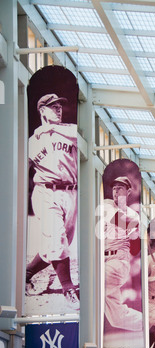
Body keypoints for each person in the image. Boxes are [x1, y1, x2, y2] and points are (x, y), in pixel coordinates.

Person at [26, 93, 79, 310]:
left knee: (57, 245)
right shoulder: (33, 141)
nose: (58, 110)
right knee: (57, 240)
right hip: (45, 192)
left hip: (70, 192)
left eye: (60, 106)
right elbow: (23, 166)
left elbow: (81, 135)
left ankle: (27, 272)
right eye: (53, 107)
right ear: (42, 111)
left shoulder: (68, 130)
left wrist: (53, 128)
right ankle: (68, 288)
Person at [103, 175, 143, 332]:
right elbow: (118, 219)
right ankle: (148, 324)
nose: (115, 191)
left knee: (93, 283)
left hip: (118, 262)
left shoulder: (134, 214)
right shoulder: (106, 204)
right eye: (114, 188)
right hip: (103, 260)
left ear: (128, 191)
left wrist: (136, 236)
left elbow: (134, 250)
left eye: (120, 188)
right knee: (116, 318)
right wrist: (134, 226)